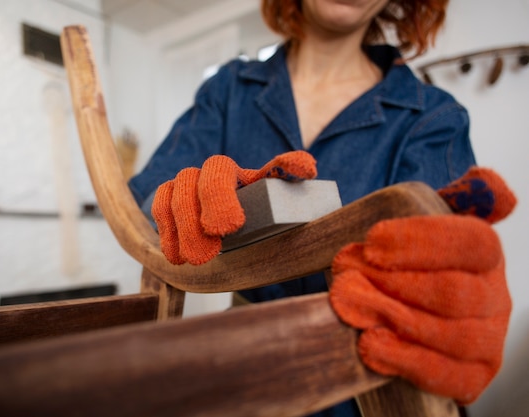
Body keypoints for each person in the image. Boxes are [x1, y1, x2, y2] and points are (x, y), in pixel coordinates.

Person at [128, 1, 513, 416]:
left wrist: (451, 292)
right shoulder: (229, 89)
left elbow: (439, 269)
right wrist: (178, 204)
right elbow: (150, 194)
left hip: (369, 386)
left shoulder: (434, 115)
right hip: (242, 372)